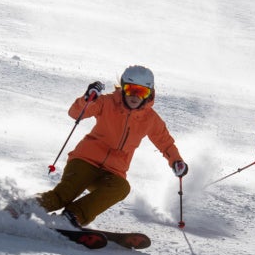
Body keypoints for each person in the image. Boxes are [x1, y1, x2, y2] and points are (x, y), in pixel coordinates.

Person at [37, 65, 188, 227]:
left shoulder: (150, 119)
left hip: (113, 171)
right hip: (84, 161)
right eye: (131, 90)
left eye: (142, 92)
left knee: (121, 187)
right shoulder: (107, 102)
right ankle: (23, 208)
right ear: (123, 88)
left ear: (149, 94)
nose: (135, 97)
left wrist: (176, 161)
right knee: (63, 196)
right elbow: (75, 113)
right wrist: (87, 99)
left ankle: (73, 216)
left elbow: (165, 142)